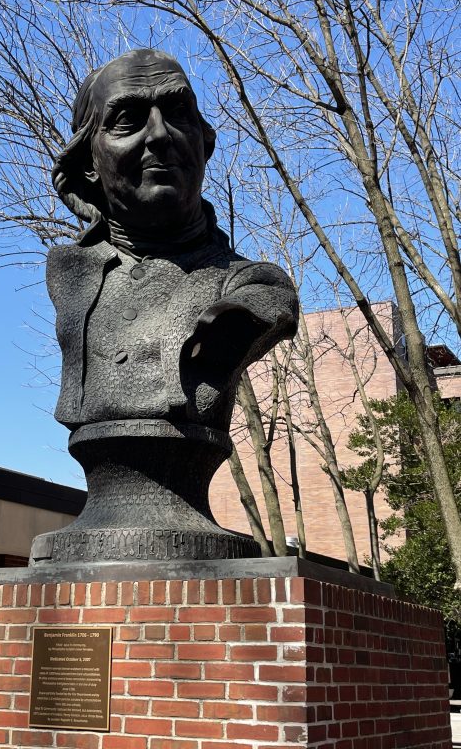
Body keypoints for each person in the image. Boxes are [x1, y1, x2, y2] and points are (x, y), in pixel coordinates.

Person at [31, 48, 299, 563]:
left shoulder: (256, 290)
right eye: (129, 120)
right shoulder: (69, 274)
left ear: (203, 142)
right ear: (88, 161)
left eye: (177, 113)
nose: (159, 135)